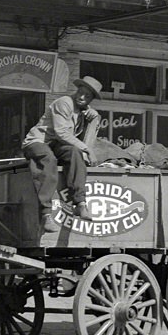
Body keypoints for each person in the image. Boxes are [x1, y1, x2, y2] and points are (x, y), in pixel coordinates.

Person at [22, 76, 103, 234]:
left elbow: (75, 139)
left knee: (75, 153)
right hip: (37, 142)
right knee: (48, 159)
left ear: (91, 99)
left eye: (87, 96)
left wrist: (93, 118)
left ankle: (80, 203)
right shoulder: (64, 103)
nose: (81, 97)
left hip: (55, 145)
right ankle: (45, 214)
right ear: (77, 91)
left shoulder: (84, 111)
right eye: (80, 92)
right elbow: (61, 134)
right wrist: (88, 149)